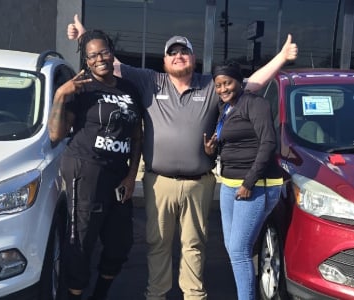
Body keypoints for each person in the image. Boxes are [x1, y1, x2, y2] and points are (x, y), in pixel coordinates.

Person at [66, 15, 297, 300]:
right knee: (157, 243)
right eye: (172, 53)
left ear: (193, 58)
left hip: (199, 183)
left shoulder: (211, 85)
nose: (178, 56)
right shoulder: (150, 80)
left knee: (194, 245)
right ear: (164, 61)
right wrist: (83, 36)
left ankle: (193, 295)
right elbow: (106, 60)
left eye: (183, 52)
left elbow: (253, 84)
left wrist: (282, 57)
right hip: (158, 182)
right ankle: (156, 295)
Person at [48, 29, 144, 300]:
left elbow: (137, 136)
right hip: (86, 171)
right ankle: (74, 295)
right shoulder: (82, 88)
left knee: (119, 243)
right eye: (92, 55)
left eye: (103, 52)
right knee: (81, 241)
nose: (99, 58)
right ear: (86, 61)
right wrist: (60, 95)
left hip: (118, 176)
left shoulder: (129, 89)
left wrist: (130, 176)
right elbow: (56, 135)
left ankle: (98, 295)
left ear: (112, 52)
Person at [203, 62, 282, 300]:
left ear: (240, 82)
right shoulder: (225, 107)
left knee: (238, 251)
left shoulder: (255, 104)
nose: (223, 89)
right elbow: (232, 143)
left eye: (227, 83)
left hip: (255, 186)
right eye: (218, 85)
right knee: (234, 248)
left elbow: (268, 143)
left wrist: (248, 182)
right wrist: (211, 150)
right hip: (229, 184)